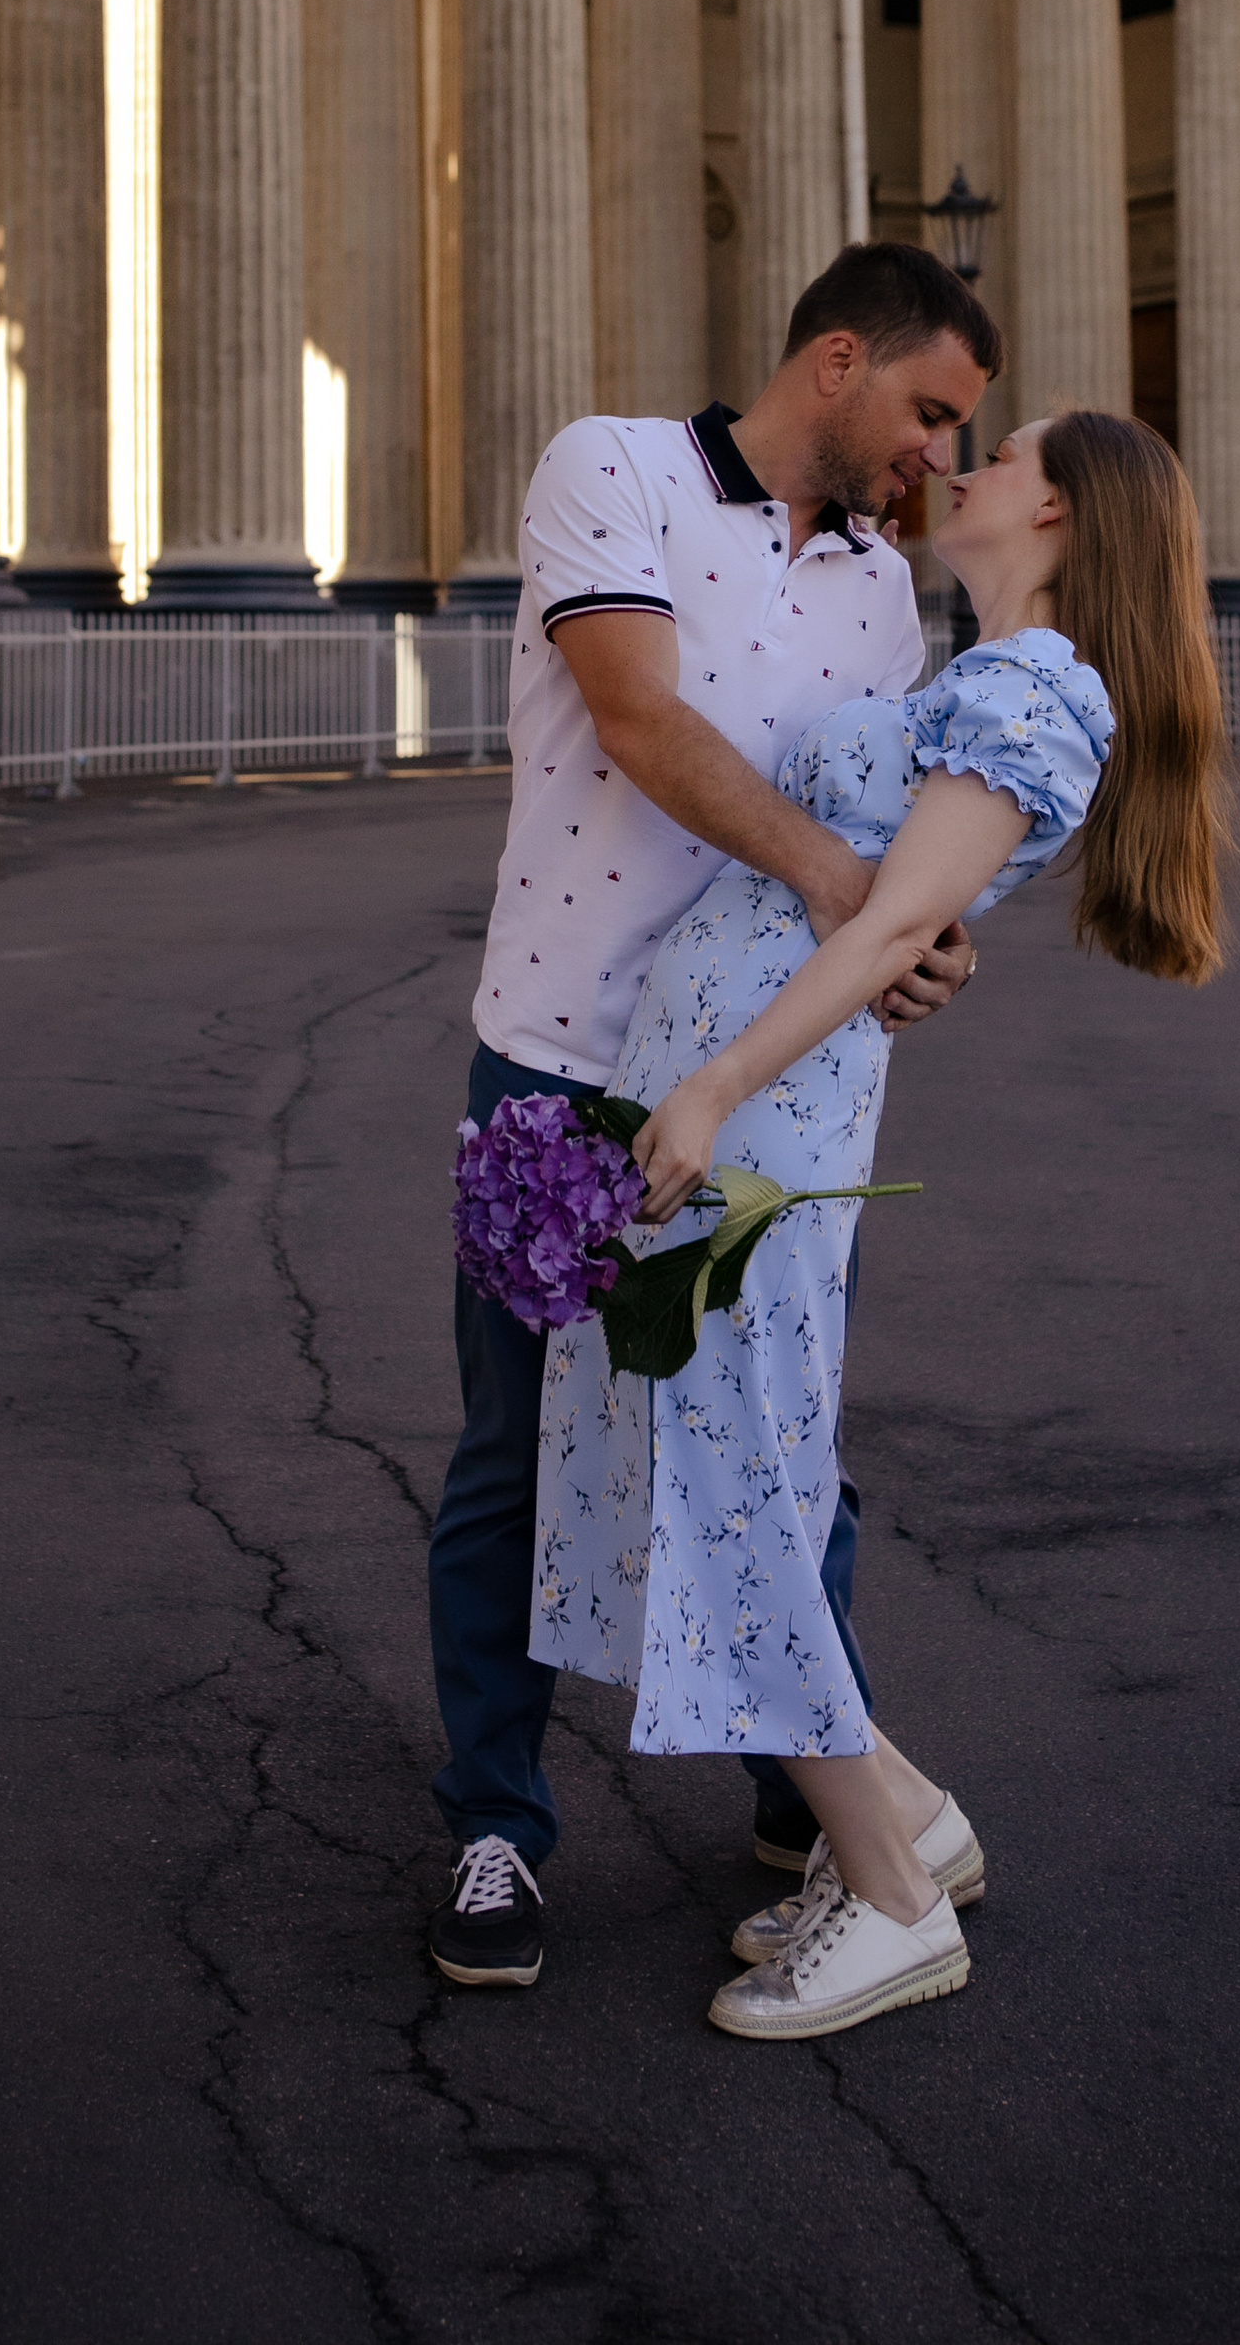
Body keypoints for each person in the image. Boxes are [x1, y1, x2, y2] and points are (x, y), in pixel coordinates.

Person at [537, 408, 1230, 2042]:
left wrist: (707, 1092)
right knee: (723, 1463)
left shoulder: (1036, 691)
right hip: (732, 1105)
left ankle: (902, 1907)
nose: (958, 469)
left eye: (994, 455)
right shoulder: (977, 677)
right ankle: (905, 1822)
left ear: (1055, 508)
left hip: (759, 1122)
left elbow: (893, 927)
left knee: (742, 1481)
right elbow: (888, 907)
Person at [428, 244, 1004, 1989]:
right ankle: (494, 1829)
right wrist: (848, 885)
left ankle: (807, 1792)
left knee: (782, 1454)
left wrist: (915, 943)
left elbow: (892, 837)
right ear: (836, 360)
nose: (937, 457)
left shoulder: (885, 594)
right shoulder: (613, 466)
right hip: (564, 1051)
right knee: (518, 1454)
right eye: (926, 412)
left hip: (768, 1079)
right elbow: (635, 714)